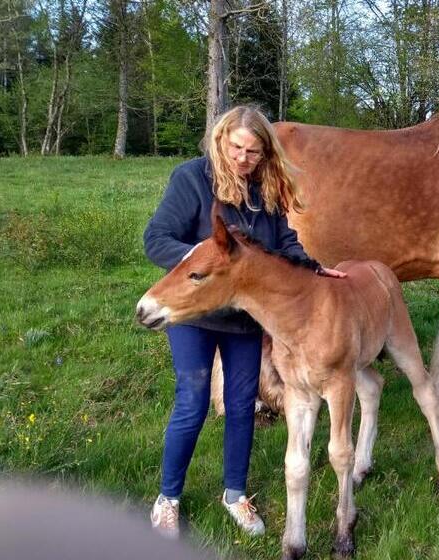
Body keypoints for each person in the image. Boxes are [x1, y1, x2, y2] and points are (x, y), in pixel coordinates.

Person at [143, 105, 345, 539]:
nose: (243, 159)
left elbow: (284, 241)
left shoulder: (265, 188)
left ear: (264, 152)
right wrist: (203, 260)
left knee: (240, 408)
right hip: (196, 313)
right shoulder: (192, 178)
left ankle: (234, 494)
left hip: (245, 318)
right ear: (221, 140)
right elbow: (156, 237)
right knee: (192, 402)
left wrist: (313, 267)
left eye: (253, 151)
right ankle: (168, 498)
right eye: (236, 147)